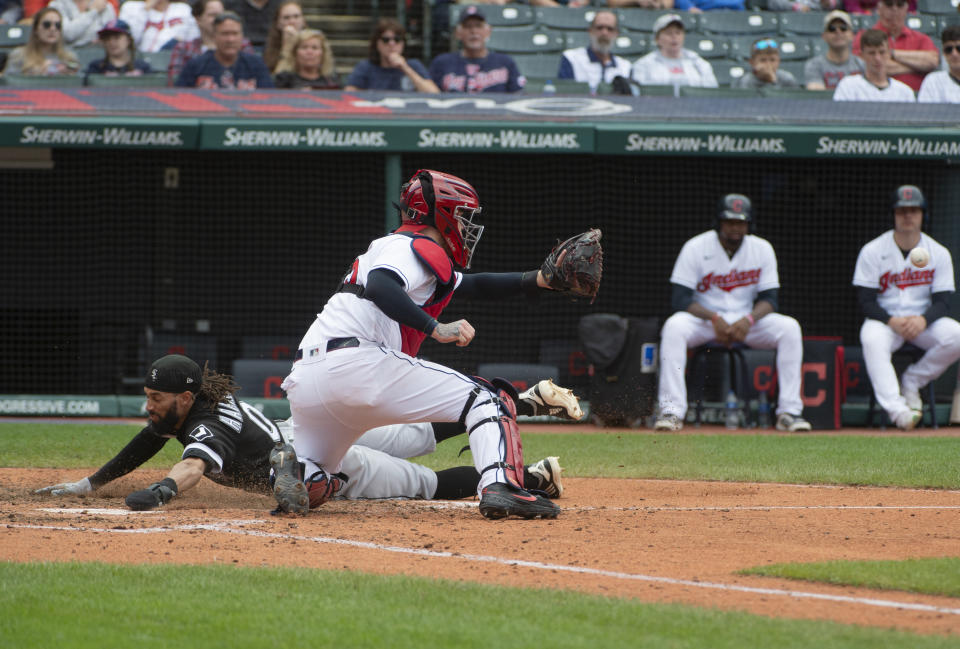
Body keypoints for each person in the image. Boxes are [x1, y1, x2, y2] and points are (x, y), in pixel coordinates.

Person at [280, 169, 589, 519]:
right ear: (440, 214)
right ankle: (502, 486)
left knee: (318, 476)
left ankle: (305, 474)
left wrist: (539, 280)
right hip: (357, 363)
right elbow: (382, 286)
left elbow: (474, 285)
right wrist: (435, 328)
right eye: (461, 216)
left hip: (307, 379)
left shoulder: (397, 250)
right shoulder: (410, 246)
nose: (466, 226)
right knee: (487, 398)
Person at [35, 355, 576, 509]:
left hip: (318, 459)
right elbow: (146, 443)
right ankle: (520, 401)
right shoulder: (202, 401)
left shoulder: (203, 423)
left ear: (182, 397)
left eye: (154, 398)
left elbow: (194, 464)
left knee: (424, 484)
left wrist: (163, 490)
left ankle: (528, 475)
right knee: (416, 433)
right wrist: (92, 482)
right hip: (310, 431)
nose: (146, 407)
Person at [654, 194, 812, 433]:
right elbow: (680, 299)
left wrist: (749, 320)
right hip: (705, 321)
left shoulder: (762, 248)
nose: (735, 228)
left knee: (789, 328)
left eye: (740, 222)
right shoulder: (696, 247)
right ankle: (672, 411)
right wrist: (713, 318)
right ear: (719, 222)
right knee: (674, 326)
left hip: (746, 322)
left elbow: (770, 300)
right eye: (729, 222)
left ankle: (789, 412)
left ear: (749, 224)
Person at [852, 186, 960, 430]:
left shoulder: (938, 252)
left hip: (922, 322)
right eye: (902, 211)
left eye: (913, 210)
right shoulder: (873, 250)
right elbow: (865, 301)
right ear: (894, 214)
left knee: (956, 335)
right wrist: (891, 320)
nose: (908, 216)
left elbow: (943, 301)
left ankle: (912, 380)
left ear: (923, 214)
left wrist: (923, 320)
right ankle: (898, 410)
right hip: (886, 322)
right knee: (871, 339)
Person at [429, 5, 524, 94]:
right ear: (458, 33)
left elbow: (518, 97)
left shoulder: (505, 62)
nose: (473, 31)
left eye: (478, 26)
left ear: (488, 31)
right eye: (467, 26)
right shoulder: (442, 63)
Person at [852, 0, 938, 93]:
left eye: (900, 5)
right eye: (889, 4)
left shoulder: (921, 38)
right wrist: (917, 68)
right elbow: (870, 66)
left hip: (916, 98)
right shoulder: (864, 36)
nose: (894, 9)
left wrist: (892, 53)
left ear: (906, 8)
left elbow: (932, 62)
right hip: (873, 95)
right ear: (879, 8)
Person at [175, 11, 273, 89]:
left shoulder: (256, 65)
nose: (230, 39)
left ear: (242, 36)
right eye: (225, 34)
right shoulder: (195, 66)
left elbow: (270, 101)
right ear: (214, 36)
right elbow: (179, 98)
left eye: (235, 33)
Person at [166, 0, 255, 86]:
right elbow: (175, 84)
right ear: (198, 19)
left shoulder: (242, 45)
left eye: (221, 14)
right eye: (212, 15)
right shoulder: (184, 48)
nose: (218, 20)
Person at [344, 18, 439, 93]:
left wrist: (405, 68)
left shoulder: (413, 65)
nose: (391, 44)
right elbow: (349, 94)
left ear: (403, 44)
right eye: (386, 40)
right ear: (377, 43)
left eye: (397, 39)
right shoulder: (366, 67)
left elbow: (434, 93)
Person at [630, 13, 717, 89]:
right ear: (657, 39)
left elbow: (711, 90)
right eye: (668, 33)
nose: (674, 37)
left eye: (678, 33)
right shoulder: (643, 64)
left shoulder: (697, 62)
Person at [556, 11, 631, 92]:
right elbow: (565, 94)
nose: (604, 33)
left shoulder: (625, 66)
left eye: (610, 29)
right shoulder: (572, 58)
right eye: (599, 28)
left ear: (616, 33)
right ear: (590, 31)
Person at [834, 29, 915, 101]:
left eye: (882, 52)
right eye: (871, 53)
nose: (877, 58)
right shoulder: (848, 86)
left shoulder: (904, 92)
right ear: (862, 55)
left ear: (889, 54)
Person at [2, 7, 79, 76]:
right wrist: (33, 74)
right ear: (36, 29)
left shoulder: (69, 58)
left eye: (58, 25)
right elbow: (8, 82)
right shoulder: (18, 56)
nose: (53, 29)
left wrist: (69, 75)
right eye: (47, 24)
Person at [804, 10, 865, 91]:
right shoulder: (814, 66)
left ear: (852, 35)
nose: (838, 31)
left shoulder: (861, 65)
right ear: (824, 36)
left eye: (843, 28)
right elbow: (818, 97)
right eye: (832, 28)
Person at [119, 0, 199, 53]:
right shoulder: (131, 7)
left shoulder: (183, 9)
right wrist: (145, 9)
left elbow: (193, 38)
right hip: (139, 62)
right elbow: (130, 41)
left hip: (171, 58)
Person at [273, 28, 339, 89]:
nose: (309, 52)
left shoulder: (331, 82)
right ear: (295, 52)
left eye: (314, 48)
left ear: (323, 53)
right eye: (304, 47)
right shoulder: (283, 80)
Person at [84, 19, 152, 79]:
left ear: (128, 40)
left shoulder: (142, 67)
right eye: (107, 38)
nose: (111, 42)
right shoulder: (96, 67)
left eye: (117, 37)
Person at [733, 38, 799, 89]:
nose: (768, 64)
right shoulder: (745, 81)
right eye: (763, 60)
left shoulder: (787, 79)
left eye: (772, 60)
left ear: (778, 61)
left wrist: (773, 81)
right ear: (752, 62)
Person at [918, 26, 960, 103]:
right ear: (943, 53)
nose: (954, 54)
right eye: (949, 49)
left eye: (959, 48)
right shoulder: (933, 81)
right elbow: (925, 113)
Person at [48, 0, 116, 48]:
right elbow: (68, 35)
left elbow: (110, 37)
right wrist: (93, 11)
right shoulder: (57, 5)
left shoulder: (103, 4)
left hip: (99, 54)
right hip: (68, 55)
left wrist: (77, 38)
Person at [262, 0, 303, 73]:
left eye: (296, 16)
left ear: (303, 20)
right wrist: (286, 48)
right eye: (286, 18)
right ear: (278, 23)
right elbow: (276, 79)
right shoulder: (270, 47)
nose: (292, 21)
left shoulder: (313, 40)